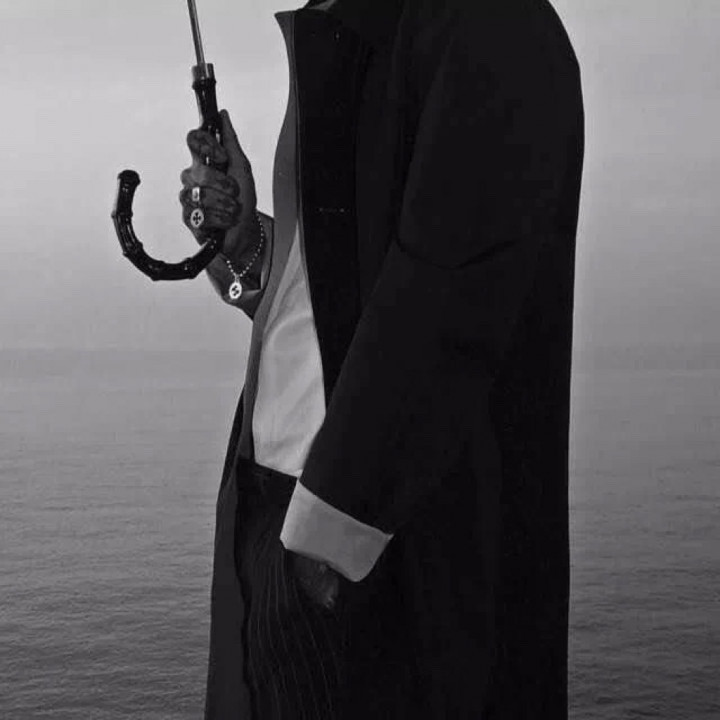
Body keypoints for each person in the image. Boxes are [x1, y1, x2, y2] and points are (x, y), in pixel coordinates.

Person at [179, 0, 584, 717]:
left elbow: (446, 300)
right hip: (287, 514)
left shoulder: (489, 23)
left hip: (373, 547)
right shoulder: (362, 33)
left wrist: (329, 539)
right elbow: (336, 295)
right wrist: (246, 244)